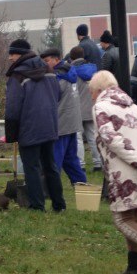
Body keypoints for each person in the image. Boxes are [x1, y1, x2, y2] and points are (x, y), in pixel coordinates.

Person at [90, 70, 137, 274]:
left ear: (98, 90)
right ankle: (134, 268)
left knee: (122, 220)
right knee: (133, 219)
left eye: (91, 93)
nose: (91, 97)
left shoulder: (100, 107)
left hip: (125, 171)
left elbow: (110, 138)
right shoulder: (134, 106)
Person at [4, 38, 65, 212]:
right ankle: (59, 204)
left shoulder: (17, 75)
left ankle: (37, 206)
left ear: (21, 55)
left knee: (31, 167)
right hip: (49, 125)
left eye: (12, 54)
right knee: (50, 166)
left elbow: (12, 108)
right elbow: (58, 94)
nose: (9, 58)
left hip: (29, 127)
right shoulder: (49, 70)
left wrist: (11, 134)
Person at [42, 48, 86, 185]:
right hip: (73, 122)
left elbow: (49, 100)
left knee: (55, 158)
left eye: (47, 61)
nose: (45, 64)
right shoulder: (70, 72)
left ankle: (50, 188)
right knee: (70, 158)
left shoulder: (57, 77)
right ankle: (81, 183)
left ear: (56, 59)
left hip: (61, 123)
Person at [69, 46, 100, 171]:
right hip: (91, 107)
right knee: (93, 136)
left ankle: (80, 164)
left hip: (77, 108)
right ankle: (98, 163)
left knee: (78, 138)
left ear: (71, 57)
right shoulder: (94, 70)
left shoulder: (71, 72)